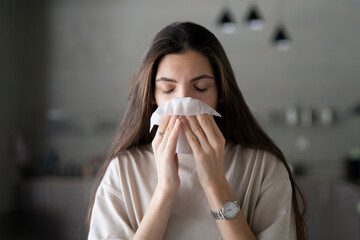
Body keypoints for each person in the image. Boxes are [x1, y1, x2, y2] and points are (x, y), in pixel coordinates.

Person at [87, 22, 306, 240]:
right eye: (168, 89)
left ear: (220, 92)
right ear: (152, 96)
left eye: (200, 88)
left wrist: (216, 184)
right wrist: (165, 190)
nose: (184, 102)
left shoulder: (263, 168)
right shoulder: (123, 171)